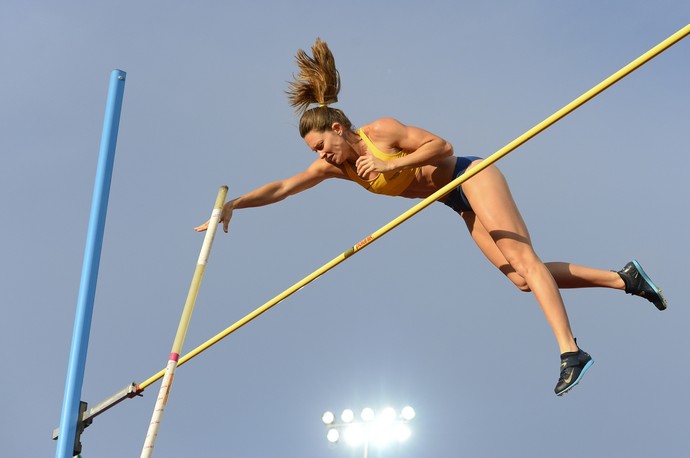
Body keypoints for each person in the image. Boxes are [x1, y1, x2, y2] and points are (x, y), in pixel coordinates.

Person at [195, 38, 666, 396]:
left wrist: (388, 164)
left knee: (526, 262)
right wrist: (234, 205)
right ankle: (625, 279)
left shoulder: (381, 132)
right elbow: (283, 187)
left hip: (471, 175)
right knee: (521, 280)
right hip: (453, 200)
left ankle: (570, 349)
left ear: (338, 129)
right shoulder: (333, 168)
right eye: (317, 153)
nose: (324, 157)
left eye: (323, 146)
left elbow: (443, 147)